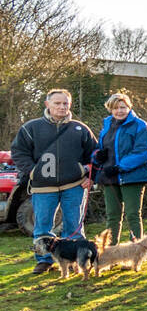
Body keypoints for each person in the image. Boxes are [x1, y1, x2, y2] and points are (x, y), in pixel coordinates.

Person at [11, 89, 96, 274]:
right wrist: (33, 172)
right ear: (47, 104)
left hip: (74, 185)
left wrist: (90, 176)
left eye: (65, 103)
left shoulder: (80, 129)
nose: (62, 107)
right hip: (43, 187)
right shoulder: (31, 128)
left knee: (74, 225)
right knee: (42, 225)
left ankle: (74, 260)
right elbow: (18, 152)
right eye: (57, 103)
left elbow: (95, 155)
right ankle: (44, 260)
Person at [93, 92, 147, 245]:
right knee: (112, 216)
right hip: (109, 176)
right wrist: (97, 156)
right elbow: (99, 148)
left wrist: (120, 167)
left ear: (129, 107)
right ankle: (110, 251)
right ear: (110, 109)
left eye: (123, 107)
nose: (119, 111)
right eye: (115, 108)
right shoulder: (107, 125)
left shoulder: (140, 126)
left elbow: (143, 152)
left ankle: (137, 251)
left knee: (133, 214)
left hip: (132, 176)